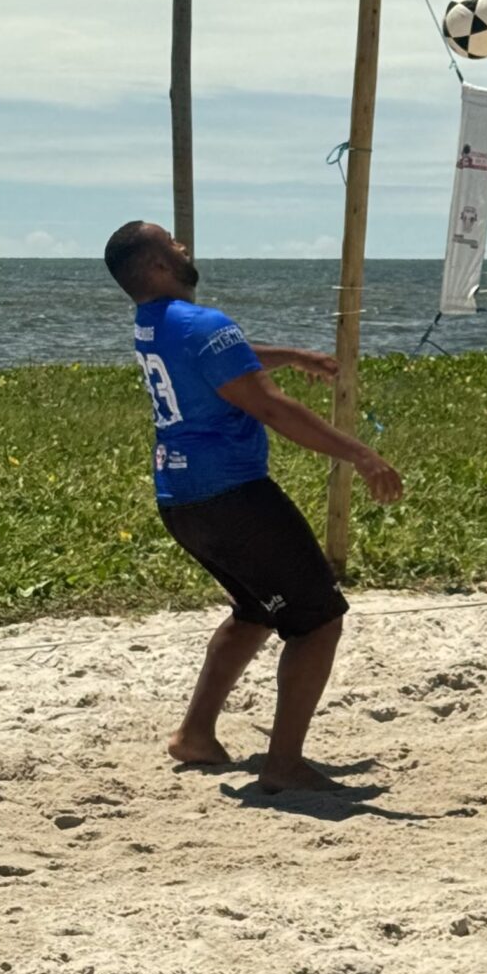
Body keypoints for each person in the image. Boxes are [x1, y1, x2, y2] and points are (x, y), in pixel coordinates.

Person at [104, 219, 403, 792]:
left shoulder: (152, 324)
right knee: (318, 619)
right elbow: (273, 409)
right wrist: (361, 455)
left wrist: (290, 355)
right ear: (158, 265)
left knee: (254, 612)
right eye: (171, 243)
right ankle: (284, 765)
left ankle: (195, 736)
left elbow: (223, 359)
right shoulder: (202, 323)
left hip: (181, 500)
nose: (183, 246)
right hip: (232, 498)